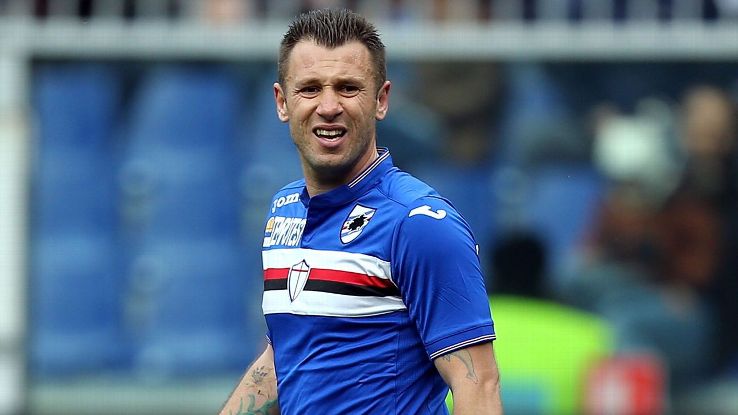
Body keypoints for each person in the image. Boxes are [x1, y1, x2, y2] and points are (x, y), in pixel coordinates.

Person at [219, 8, 502, 415]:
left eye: (348, 88)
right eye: (310, 89)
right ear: (282, 102)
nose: (328, 106)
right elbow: (283, 359)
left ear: (381, 100)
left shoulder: (417, 224)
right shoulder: (284, 210)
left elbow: (478, 384)